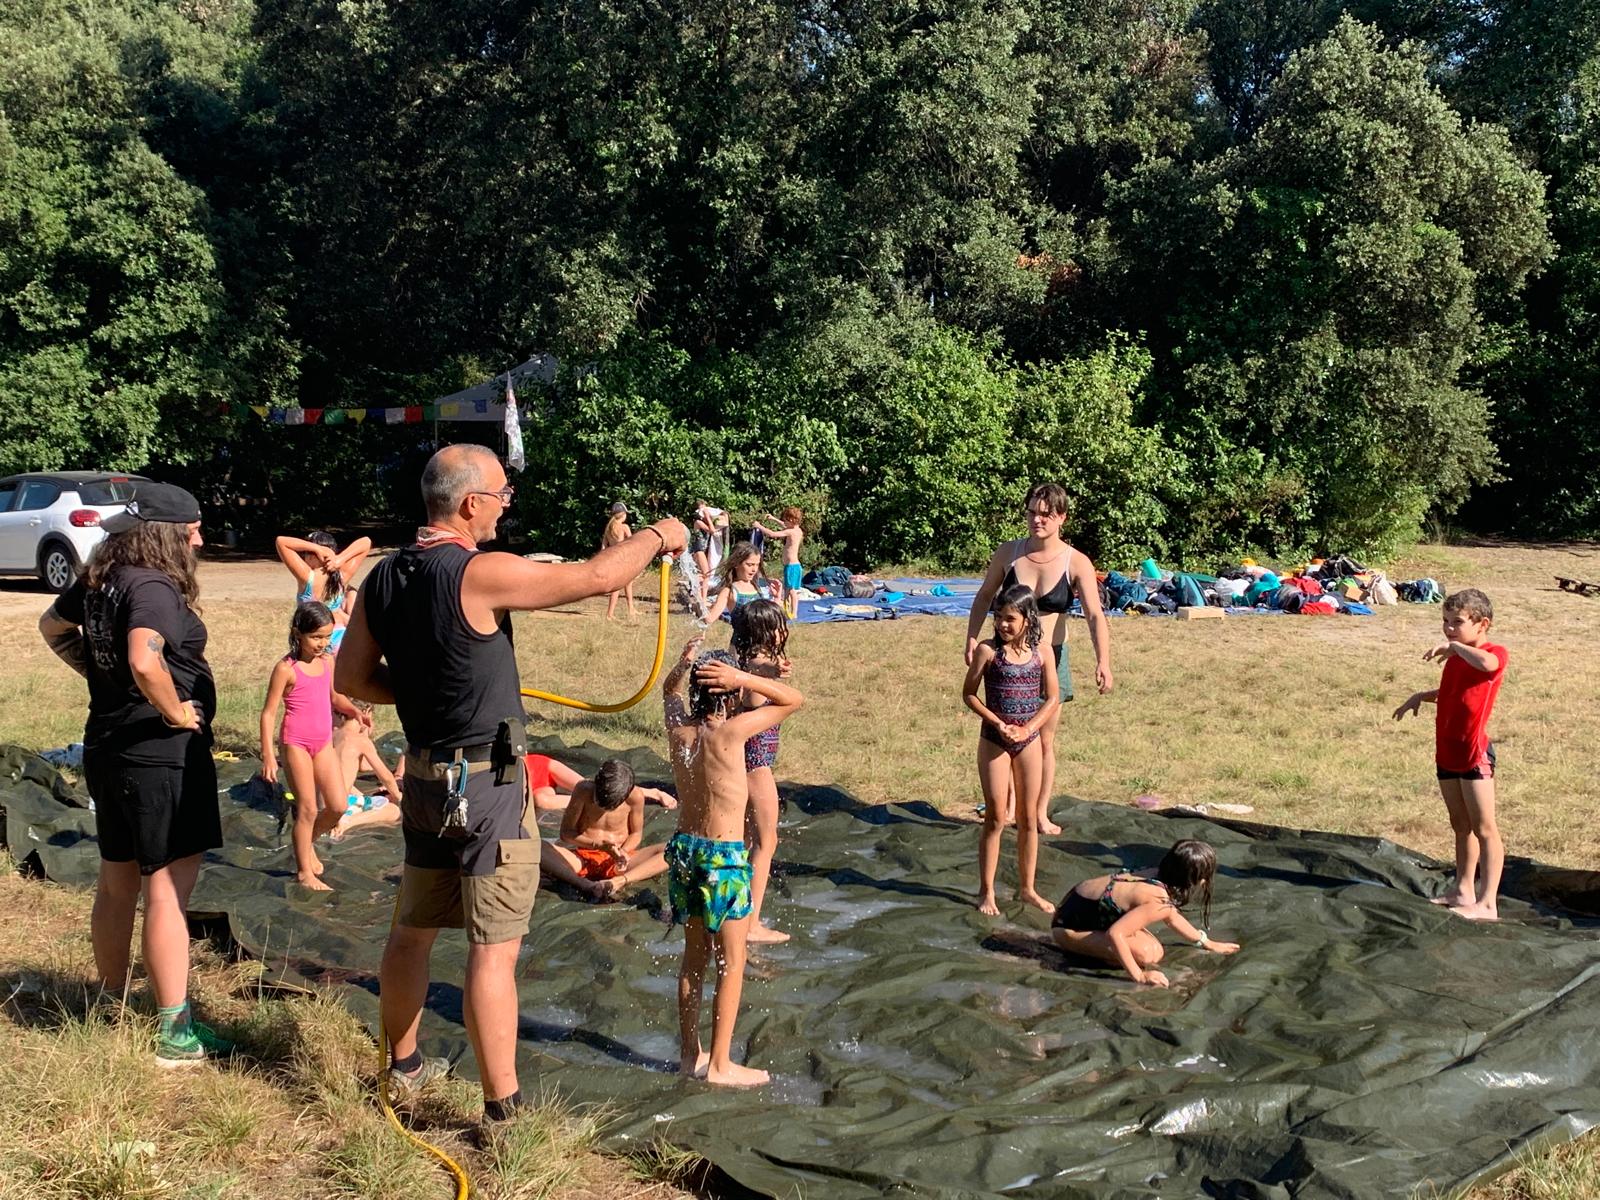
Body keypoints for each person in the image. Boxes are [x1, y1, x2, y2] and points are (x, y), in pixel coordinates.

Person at [335, 444, 686, 1127]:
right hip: (488, 786)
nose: (506, 503)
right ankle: (503, 1116)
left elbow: (351, 679)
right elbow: (596, 577)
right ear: (470, 504)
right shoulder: (479, 571)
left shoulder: (383, 577)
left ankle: (401, 1071)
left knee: (411, 933)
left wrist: (425, 694)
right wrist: (659, 534)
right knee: (493, 952)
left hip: (425, 777)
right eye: (502, 494)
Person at [37, 482, 232, 1067]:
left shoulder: (103, 577)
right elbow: (146, 660)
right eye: (193, 529)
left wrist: (103, 677)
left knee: (117, 880)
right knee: (166, 888)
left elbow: (52, 627)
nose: (200, 540)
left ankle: (112, 1002)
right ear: (167, 535)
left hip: (108, 747)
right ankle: (175, 1032)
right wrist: (175, 712)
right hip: (157, 756)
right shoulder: (152, 586)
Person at [663, 636, 803, 1086]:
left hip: (685, 853)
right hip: (722, 860)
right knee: (731, 963)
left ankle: (690, 1056)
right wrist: (743, 676)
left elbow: (667, 692)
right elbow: (794, 699)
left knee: (693, 961)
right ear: (729, 693)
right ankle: (721, 1065)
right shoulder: (732, 732)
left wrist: (682, 665)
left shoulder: (679, 730)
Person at [967, 483, 1113, 837]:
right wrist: (971, 637)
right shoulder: (1009, 553)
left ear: (1062, 518)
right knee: (1004, 732)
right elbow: (985, 595)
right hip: (1007, 657)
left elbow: (1095, 614)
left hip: (1050, 657)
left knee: (1042, 738)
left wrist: (1103, 660)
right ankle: (1007, 806)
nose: (1037, 520)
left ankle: (1039, 812)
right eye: (1032, 512)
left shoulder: (1075, 561)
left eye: (1046, 514)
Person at [1392, 588, 1508, 921]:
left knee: (1484, 828)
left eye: (1457, 622)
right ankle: (1463, 889)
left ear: (1482, 624)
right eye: (1445, 621)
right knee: (1460, 825)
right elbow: (1453, 692)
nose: (1448, 628)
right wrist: (1421, 695)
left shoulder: (1493, 652)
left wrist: (1455, 647)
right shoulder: (1458, 658)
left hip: (1474, 753)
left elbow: (1489, 664)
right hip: (1447, 750)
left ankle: (1488, 903)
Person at [259, 601, 370, 891]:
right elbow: (268, 713)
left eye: (327, 637)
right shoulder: (286, 669)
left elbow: (334, 697)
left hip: (322, 743)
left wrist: (354, 711)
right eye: (316, 637)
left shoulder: (327, 662)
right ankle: (304, 873)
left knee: (338, 805)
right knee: (307, 809)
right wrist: (268, 755)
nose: (322, 643)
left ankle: (306, 842)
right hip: (296, 743)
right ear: (298, 633)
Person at [964, 584, 1060, 917]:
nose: (1002, 624)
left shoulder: (1042, 652)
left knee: (1028, 818)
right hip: (995, 740)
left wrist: (1029, 728)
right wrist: (997, 722)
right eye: (998, 617)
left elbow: (1052, 697)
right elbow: (969, 694)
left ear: (1027, 620)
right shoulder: (988, 651)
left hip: (1028, 741)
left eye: (1010, 619)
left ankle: (1028, 889)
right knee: (995, 817)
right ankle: (986, 891)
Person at [1051, 839, 1239, 987]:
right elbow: (1115, 934)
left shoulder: (1156, 873)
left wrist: (1206, 942)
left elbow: (1171, 915)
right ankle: (1092, 955)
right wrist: (1139, 976)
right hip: (1067, 928)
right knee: (1148, 953)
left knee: (1151, 948)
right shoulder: (1156, 899)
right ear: (1198, 880)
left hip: (1079, 912)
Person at [732, 600, 793, 943]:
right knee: (766, 841)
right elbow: (755, 689)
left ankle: (733, 908)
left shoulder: (741, 657)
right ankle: (752, 924)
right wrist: (771, 672)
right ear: (766, 632)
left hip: (742, 759)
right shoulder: (756, 665)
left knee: (741, 839)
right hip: (755, 762)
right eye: (779, 625)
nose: (785, 630)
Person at [538, 758, 671, 900]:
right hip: (582, 858)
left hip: (619, 860)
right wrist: (597, 845)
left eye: (611, 806)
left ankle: (619, 881)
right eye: (598, 802)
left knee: (672, 850)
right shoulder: (583, 790)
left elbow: (636, 833)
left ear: (625, 795)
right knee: (536, 846)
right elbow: (566, 833)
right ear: (595, 784)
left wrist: (623, 852)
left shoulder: (635, 796)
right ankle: (584, 884)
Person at [274, 531, 372, 652]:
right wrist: (340, 559)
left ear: (312, 556)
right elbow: (366, 542)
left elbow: (281, 541)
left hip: (313, 639)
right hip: (340, 636)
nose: (304, 558)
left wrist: (316, 548)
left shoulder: (307, 576)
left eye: (305, 553)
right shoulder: (342, 576)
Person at [753, 507, 805, 617]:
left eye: (786, 520)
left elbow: (772, 534)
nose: (784, 522)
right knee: (787, 590)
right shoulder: (797, 530)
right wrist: (773, 519)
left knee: (792, 591)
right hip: (791, 566)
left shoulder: (791, 532)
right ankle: (786, 610)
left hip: (792, 566)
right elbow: (784, 525)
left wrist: (759, 526)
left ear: (792, 520)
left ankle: (794, 612)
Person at [704, 541, 772, 624]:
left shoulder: (757, 587)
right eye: (750, 565)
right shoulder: (729, 591)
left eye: (757, 565)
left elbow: (769, 616)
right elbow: (709, 619)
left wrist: (777, 597)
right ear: (736, 564)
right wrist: (697, 602)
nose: (754, 569)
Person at [601, 502, 639, 621]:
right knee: (618, 587)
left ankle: (631, 609)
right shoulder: (624, 527)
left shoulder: (609, 528)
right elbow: (632, 543)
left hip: (612, 558)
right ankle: (610, 614)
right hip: (623, 559)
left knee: (628, 583)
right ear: (623, 514)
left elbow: (603, 546)